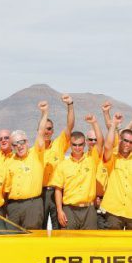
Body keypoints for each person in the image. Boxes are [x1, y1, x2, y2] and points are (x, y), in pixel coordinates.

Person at [50, 114, 103, 229]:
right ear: (70, 145)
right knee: (69, 242)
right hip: (69, 209)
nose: (77, 148)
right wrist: (59, 211)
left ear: (84, 144)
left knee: (89, 244)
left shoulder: (91, 160)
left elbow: (100, 142)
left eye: (80, 145)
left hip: (89, 210)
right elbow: (58, 190)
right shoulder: (63, 165)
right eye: (74, 145)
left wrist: (94, 123)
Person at [4, 102, 51, 229]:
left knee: (33, 238)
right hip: (13, 206)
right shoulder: (9, 161)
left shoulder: (36, 154)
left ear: (27, 142)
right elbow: (6, 189)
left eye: (22, 142)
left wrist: (44, 113)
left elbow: (41, 132)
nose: (19, 146)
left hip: (32, 205)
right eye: (15, 144)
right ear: (12, 147)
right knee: (12, 240)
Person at [100, 114, 132, 230]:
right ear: (120, 141)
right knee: (113, 244)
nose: (128, 144)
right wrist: (114, 125)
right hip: (113, 209)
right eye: (125, 141)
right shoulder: (112, 157)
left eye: (131, 142)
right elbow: (107, 146)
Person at [40, 95, 75, 229]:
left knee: (59, 226)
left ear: (52, 131)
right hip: (40, 193)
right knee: (40, 226)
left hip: (57, 192)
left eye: (49, 129)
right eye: (44, 128)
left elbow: (70, 125)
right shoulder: (34, 150)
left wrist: (70, 105)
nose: (46, 131)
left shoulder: (59, 144)